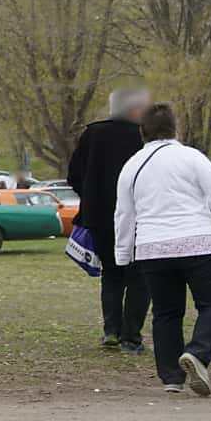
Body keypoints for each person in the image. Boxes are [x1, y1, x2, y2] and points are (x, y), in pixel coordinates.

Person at [114, 103, 211, 396]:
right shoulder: (192, 157)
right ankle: (198, 353)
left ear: (142, 132)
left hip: (153, 248)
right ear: (175, 128)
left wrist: (123, 253)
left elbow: (124, 214)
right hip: (199, 243)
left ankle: (171, 377)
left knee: (166, 313)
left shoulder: (131, 166)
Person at [68, 85, 151, 354]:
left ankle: (111, 330)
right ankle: (131, 336)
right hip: (139, 218)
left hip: (101, 217)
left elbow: (74, 175)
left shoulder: (94, 133)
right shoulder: (144, 136)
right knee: (139, 278)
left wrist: (91, 198)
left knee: (112, 275)